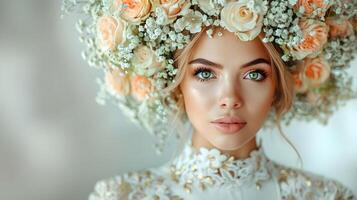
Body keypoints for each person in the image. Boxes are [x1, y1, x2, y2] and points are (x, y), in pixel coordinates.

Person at [62, 0, 357, 199]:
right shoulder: (121, 195)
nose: (229, 98)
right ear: (176, 83)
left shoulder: (327, 196)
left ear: (279, 85)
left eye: (254, 75)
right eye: (205, 74)